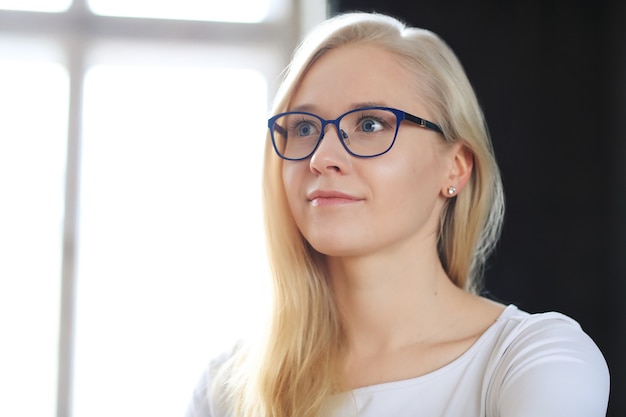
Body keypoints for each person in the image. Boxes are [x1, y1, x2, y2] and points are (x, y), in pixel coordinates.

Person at [185, 12, 610, 417]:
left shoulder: (534, 361)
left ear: (455, 168)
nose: (321, 157)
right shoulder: (228, 385)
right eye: (304, 128)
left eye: (369, 124)